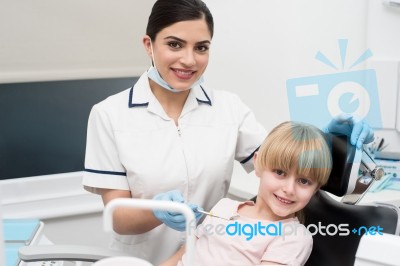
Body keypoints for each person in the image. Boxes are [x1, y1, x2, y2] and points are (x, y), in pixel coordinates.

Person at [82, 0, 373, 264]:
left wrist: (324, 138)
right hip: (146, 259)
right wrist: (155, 210)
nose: (189, 60)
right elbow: (118, 217)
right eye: (174, 44)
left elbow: (281, 163)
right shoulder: (109, 115)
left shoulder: (228, 109)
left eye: (201, 47)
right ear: (149, 44)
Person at [160, 121, 332, 266]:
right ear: (257, 164)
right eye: (280, 172)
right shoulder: (224, 207)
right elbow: (182, 257)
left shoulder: (292, 238)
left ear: (316, 189)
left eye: (304, 181)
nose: (289, 189)